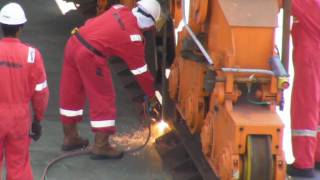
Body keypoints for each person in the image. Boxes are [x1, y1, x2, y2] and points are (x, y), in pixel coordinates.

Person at [59, 0, 161, 160]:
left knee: (71, 92)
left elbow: (94, 23)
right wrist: (152, 97)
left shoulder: (118, 9)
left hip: (74, 43)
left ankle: (70, 137)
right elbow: (141, 73)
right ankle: (101, 146)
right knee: (103, 97)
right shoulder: (133, 38)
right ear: (149, 25)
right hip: (90, 55)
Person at [0, 2, 49, 180]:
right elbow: (41, 93)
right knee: (19, 166)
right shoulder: (32, 55)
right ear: (21, 27)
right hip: (19, 119)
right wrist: (38, 120)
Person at [287, 0, 320, 178]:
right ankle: (317, 156)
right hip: (315, 54)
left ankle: (303, 164)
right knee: (316, 106)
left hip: (310, 58)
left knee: (305, 106)